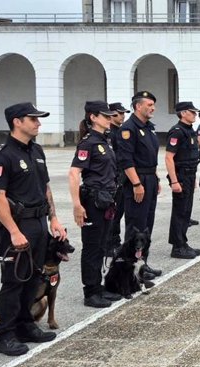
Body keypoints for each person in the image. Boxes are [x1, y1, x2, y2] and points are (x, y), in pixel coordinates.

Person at [0, 102, 66, 356]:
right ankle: (4, 334)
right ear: (17, 121)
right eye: (33, 119)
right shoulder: (2, 155)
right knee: (14, 280)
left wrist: (54, 219)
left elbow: (46, 188)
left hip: (39, 223)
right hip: (17, 226)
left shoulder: (36, 151)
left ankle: (25, 325)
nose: (38, 123)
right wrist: (13, 231)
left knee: (33, 277)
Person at [68, 101, 124, 308]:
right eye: (105, 116)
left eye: (111, 116)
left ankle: (98, 286)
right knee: (92, 247)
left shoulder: (105, 140)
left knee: (102, 245)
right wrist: (77, 205)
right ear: (93, 117)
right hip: (93, 200)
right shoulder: (88, 143)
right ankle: (90, 292)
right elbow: (74, 173)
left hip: (106, 199)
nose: (110, 119)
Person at [115, 91, 162, 277]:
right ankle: (128, 269)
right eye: (149, 104)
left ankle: (142, 264)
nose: (153, 108)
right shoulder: (128, 129)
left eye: (153, 105)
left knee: (146, 226)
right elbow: (126, 160)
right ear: (137, 106)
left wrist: (156, 178)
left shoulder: (148, 127)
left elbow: (150, 157)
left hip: (149, 178)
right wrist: (136, 184)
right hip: (138, 180)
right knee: (135, 226)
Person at [165, 101, 200, 259]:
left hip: (189, 174)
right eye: (192, 112)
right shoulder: (177, 131)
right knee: (180, 212)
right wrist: (174, 181)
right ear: (183, 113)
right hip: (180, 176)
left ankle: (183, 242)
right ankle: (177, 247)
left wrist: (193, 178)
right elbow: (169, 157)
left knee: (186, 212)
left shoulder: (189, 131)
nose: (195, 115)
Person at [107, 102, 130, 253]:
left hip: (121, 178)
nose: (123, 116)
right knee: (113, 214)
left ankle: (115, 241)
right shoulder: (110, 133)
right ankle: (109, 244)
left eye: (123, 113)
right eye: (120, 113)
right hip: (113, 179)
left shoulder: (119, 131)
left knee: (119, 212)